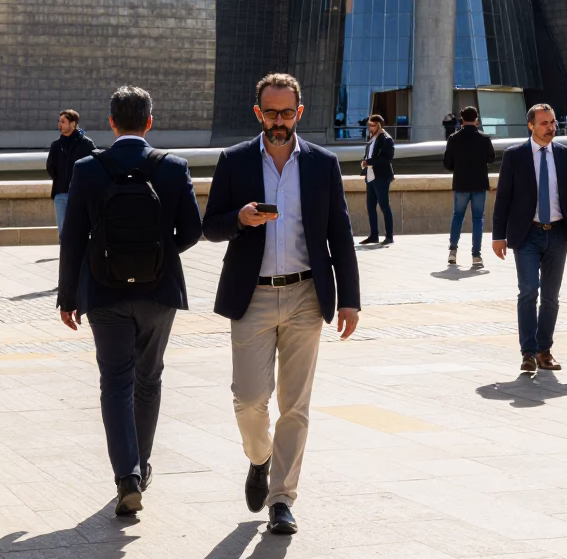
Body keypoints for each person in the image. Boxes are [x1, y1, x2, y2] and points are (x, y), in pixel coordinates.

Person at [203, 73, 360, 535]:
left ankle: (282, 497)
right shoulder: (233, 161)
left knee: (295, 405)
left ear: (300, 113)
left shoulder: (322, 163)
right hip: (250, 295)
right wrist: (239, 219)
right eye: (270, 113)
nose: (278, 122)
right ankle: (259, 457)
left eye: (286, 113)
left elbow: (340, 234)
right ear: (258, 113)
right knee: (250, 399)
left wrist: (349, 299)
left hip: (306, 295)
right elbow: (209, 226)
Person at [56, 86, 202, 517]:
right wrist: (161, 249)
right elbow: (192, 230)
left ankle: (127, 476)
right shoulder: (174, 168)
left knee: (114, 381)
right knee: (149, 378)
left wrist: (68, 296)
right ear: (150, 122)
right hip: (159, 293)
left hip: (104, 293)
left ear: (112, 122)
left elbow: (72, 239)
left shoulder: (87, 169)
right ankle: (143, 463)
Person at [491, 103, 567, 372]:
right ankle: (528, 352)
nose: (551, 128)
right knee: (528, 292)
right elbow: (503, 198)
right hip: (526, 234)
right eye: (545, 123)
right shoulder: (515, 156)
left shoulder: (565, 154)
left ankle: (544, 350)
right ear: (531, 126)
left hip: (558, 234)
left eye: (553, 122)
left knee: (550, 297)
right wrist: (498, 236)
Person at [443, 105, 495, 268]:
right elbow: (491, 158)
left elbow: (447, 163)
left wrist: (458, 168)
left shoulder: (453, 138)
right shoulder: (484, 138)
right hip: (479, 183)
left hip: (461, 183)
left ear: (461, 119)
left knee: (457, 216)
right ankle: (476, 256)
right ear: (476, 120)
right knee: (478, 219)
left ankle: (453, 252)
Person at [46, 109, 95, 241]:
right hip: (60, 193)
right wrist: (60, 179)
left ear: (73, 124)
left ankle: (81, 261)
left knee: (81, 232)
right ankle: (66, 260)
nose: (59, 124)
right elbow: (50, 167)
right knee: (63, 233)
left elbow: (93, 166)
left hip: (80, 194)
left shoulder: (86, 144)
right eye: (59, 121)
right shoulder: (56, 145)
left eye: (63, 121)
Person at [361, 114, 395, 245]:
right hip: (370, 177)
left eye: (373, 125)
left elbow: (387, 158)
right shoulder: (371, 139)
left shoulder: (386, 139)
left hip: (381, 177)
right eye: (369, 125)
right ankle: (374, 235)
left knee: (384, 206)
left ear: (379, 125)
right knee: (370, 207)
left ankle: (389, 236)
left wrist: (368, 162)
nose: (370, 127)